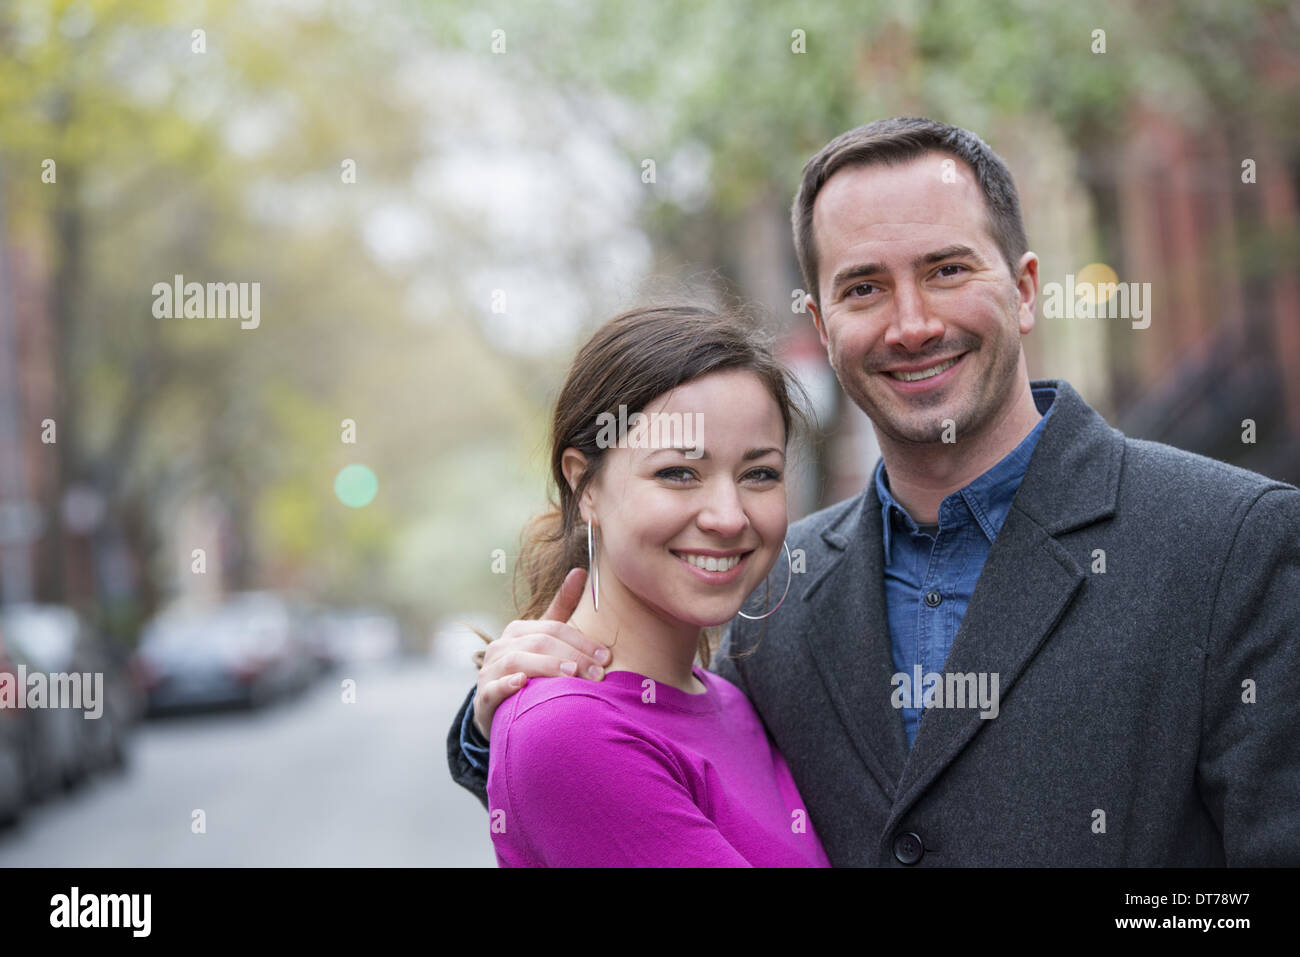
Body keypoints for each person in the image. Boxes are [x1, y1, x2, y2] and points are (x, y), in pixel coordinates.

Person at [449, 117, 1300, 866]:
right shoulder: (769, 587)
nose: (912, 322)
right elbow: (638, 760)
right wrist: (493, 728)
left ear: (1027, 289)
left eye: (947, 269)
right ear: (821, 326)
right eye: (864, 287)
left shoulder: (1233, 543)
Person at [477, 304, 829, 867]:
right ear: (584, 485)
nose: (728, 516)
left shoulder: (731, 701)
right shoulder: (567, 732)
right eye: (678, 473)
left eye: (759, 473)